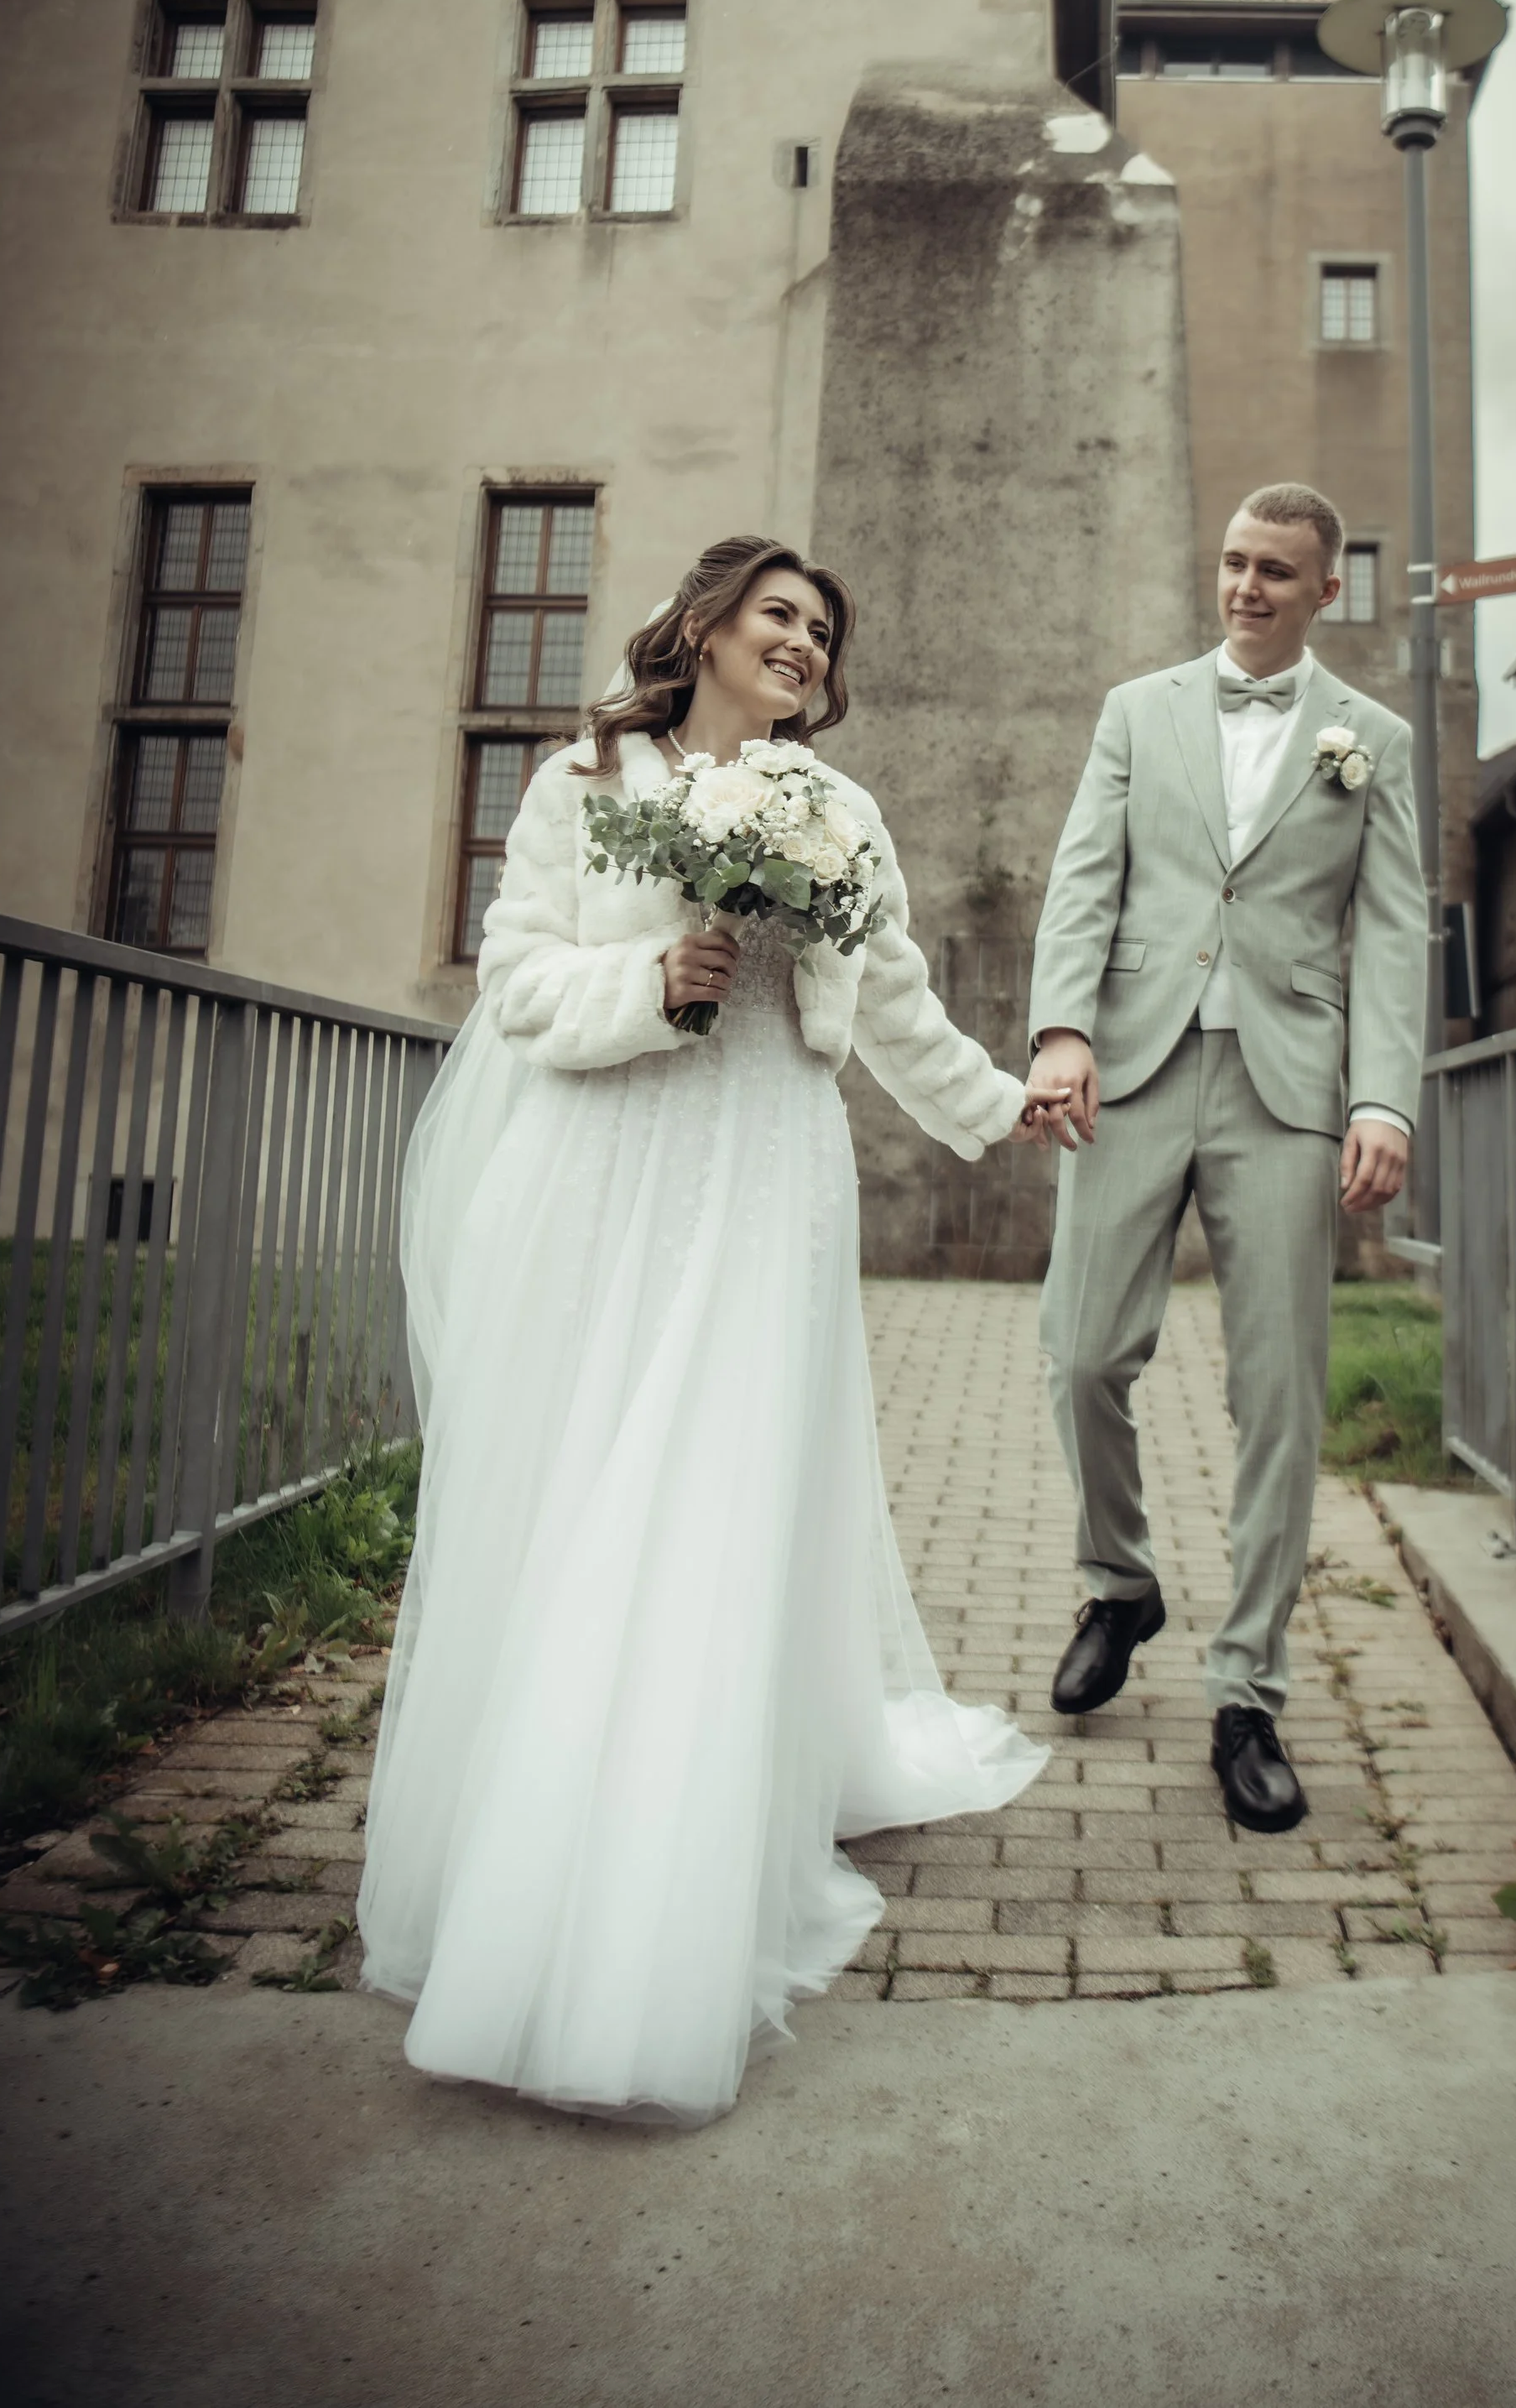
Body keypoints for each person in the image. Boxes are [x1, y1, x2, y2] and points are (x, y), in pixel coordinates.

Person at [357, 536, 1045, 2124]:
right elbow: (519, 978)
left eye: (823, 628)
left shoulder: (842, 811)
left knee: (721, 1497)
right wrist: (653, 978)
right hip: (606, 1172)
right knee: (592, 1491)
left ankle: (684, 1838)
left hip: (765, 1184)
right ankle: (546, 1843)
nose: (803, 641)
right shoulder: (583, 778)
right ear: (709, 625)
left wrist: (1004, 1108)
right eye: (780, 614)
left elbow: (894, 1003)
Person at [1021, 485, 1424, 1834]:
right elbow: (1088, 875)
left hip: (1290, 1090)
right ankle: (1120, 1582)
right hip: (1129, 1064)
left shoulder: (1375, 741)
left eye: (1278, 572)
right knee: (1080, 1350)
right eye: (1236, 563)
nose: (1247, 586)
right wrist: (1062, 1027)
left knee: (1282, 1398)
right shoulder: (1139, 709)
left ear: (1326, 588)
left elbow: (1393, 932)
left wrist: (1386, 1100)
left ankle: (1248, 1688)